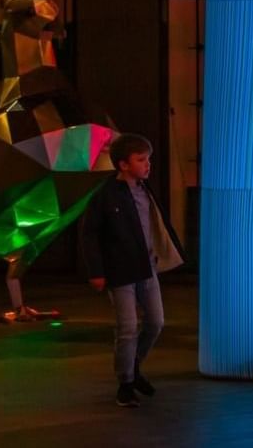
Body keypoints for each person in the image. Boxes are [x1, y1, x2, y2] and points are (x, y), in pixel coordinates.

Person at [78, 133, 184, 409]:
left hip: (146, 268)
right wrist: (96, 271)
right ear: (123, 164)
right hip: (120, 271)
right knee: (127, 327)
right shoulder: (105, 195)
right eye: (141, 160)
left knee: (156, 322)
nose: (147, 165)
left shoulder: (145, 190)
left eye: (148, 159)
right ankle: (125, 382)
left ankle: (133, 365)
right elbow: (89, 234)